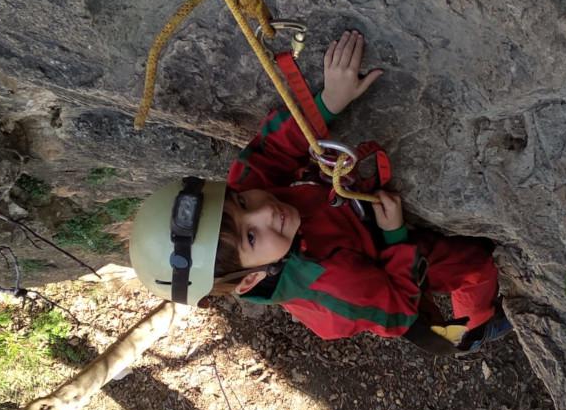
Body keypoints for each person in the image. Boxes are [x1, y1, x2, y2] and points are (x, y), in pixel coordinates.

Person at [128, 31, 511, 355]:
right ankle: (476, 328)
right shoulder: (331, 290)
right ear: (249, 282)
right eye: (251, 235)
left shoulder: (249, 190)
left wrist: (328, 102)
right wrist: (395, 236)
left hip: (364, 252)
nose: (265, 212)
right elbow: (397, 309)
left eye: (242, 203)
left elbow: (272, 148)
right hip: (382, 276)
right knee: (469, 279)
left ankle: (467, 330)